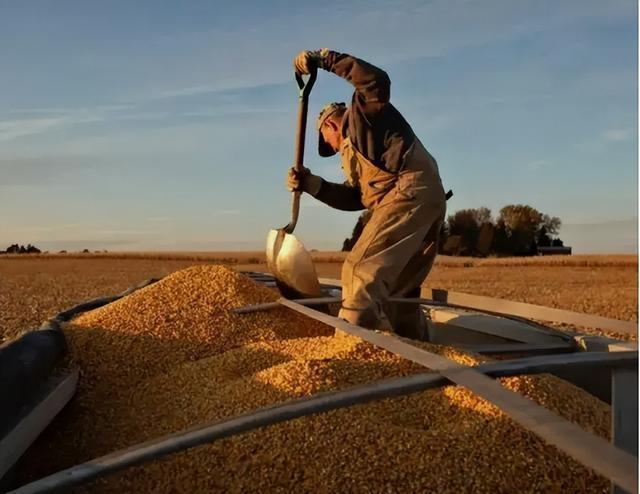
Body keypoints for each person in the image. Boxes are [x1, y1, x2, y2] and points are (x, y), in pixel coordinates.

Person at [287, 49, 448, 341]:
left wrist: (325, 60)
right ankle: (420, 358)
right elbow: (357, 198)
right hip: (425, 198)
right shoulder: (365, 148)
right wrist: (311, 184)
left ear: (331, 126)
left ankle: (353, 353)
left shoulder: (362, 116)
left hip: (409, 191)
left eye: (329, 143)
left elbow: (376, 82)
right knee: (399, 295)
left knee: (359, 270)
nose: (334, 150)